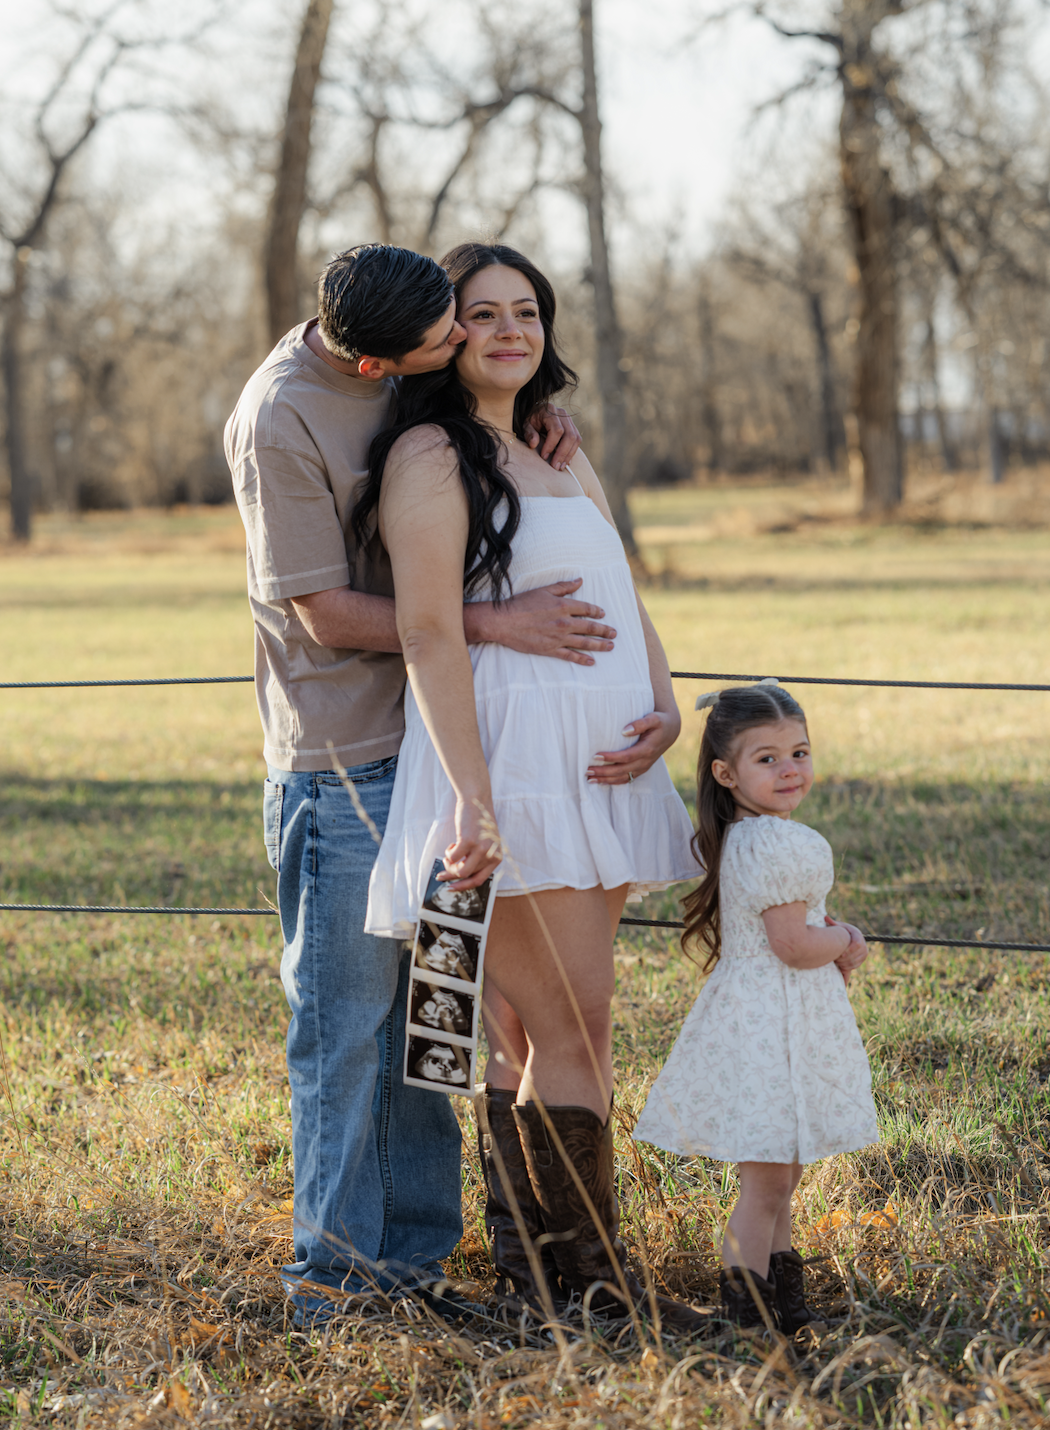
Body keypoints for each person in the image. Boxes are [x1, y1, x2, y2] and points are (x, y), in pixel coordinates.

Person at [224, 242, 619, 1323]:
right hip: (343, 761)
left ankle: (416, 1266)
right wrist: (498, 624)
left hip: (441, 752)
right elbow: (322, 611)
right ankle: (335, 1281)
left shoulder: (399, 345)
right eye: (445, 335)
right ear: (371, 366)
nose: (459, 341)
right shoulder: (280, 420)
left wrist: (533, 424)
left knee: (432, 1024)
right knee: (346, 1030)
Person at [361, 241, 709, 1332]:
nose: (509, 330)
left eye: (528, 311)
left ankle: (549, 1290)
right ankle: (592, 1291)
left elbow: (622, 589)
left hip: (600, 759)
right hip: (510, 766)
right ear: (444, 333)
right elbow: (425, 627)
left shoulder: (562, 449)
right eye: (483, 313)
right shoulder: (430, 452)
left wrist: (664, 701)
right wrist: (472, 797)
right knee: (571, 1025)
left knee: (552, 1031)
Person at [633, 682, 878, 1333]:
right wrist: (847, 940)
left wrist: (826, 934)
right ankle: (746, 1318)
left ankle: (784, 1305)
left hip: (765, 1020)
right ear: (725, 772)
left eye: (798, 751)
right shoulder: (779, 843)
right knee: (768, 1183)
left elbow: (795, 926)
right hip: (773, 1026)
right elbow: (794, 944)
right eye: (766, 758)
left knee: (780, 1177)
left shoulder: (750, 835)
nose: (790, 768)